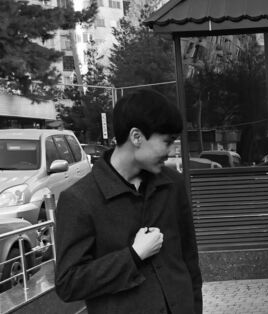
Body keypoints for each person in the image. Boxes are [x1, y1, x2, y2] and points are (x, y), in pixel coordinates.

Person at [54, 88, 203, 314]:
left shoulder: (173, 184)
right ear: (136, 137)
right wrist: (132, 256)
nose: (172, 151)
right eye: (167, 141)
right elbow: (68, 283)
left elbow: (189, 260)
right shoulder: (79, 199)